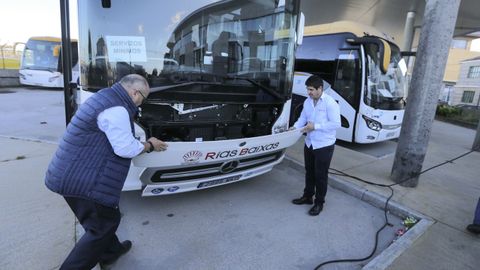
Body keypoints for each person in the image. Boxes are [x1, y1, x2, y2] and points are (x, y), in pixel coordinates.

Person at [45, 74, 168, 269]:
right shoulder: (117, 109)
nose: (140, 104)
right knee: (103, 225)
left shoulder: (106, 96)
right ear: (135, 93)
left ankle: (111, 252)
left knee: (99, 221)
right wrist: (149, 145)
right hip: (82, 180)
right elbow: (125, 148)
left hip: (67, 173)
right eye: (143, 98)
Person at [290, 75, 341, 216]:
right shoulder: (308, 102)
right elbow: (302, 119)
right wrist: (294, 129)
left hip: (324, 145)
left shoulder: (330, 103)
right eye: (308, 89)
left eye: (311, 89)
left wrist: (315, 126)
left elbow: (336, 123)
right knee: (309, 172)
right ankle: (307, 197)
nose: (309, 92)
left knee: (321, 175)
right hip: (310, 143)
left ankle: (319, 203)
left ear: (320, 89)